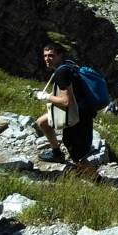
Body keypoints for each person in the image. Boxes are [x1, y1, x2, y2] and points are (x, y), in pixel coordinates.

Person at [33, 42, 96, 174]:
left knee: (77, 155)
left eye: (51, 55)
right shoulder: (69, 65)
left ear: (60, 56)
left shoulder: (61, 73)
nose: (47, 59)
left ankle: (98, 181)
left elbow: (66, 101)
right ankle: (57, 153)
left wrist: (46, 97)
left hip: (76, 116)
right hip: (82, 111)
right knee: (42, 122)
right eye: (45, 56)